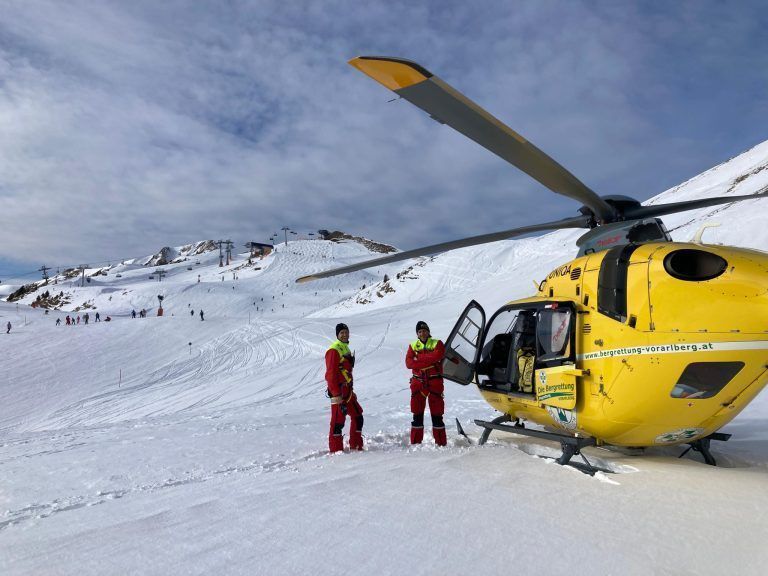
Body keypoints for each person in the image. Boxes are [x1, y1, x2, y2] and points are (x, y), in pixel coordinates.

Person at [405, 321, 447, 446]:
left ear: (428, 331)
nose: (422, 333)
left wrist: (418, 359)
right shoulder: (412, 346)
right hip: (418, 383)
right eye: (420, 331)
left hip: (435, 382)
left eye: (424, 330)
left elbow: (438, 356)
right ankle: (416, 443)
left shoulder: (437, 343)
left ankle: (441, 444)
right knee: (417, 414)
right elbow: (409, 363)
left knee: (437, 414)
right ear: (417, 334)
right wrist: (430, 360)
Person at [325, 323, 364, 452]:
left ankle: (356, 445)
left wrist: (351, 391)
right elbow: (331, 374)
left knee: (358, 416)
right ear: (337, 335)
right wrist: (336, 394)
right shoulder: (334, 350)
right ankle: (336, 452)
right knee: (337, 423)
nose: (345, 334)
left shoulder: (345, 349)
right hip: (339, 393)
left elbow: (346, 372)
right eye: (342, 332)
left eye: (346, 332)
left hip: (348, 392)